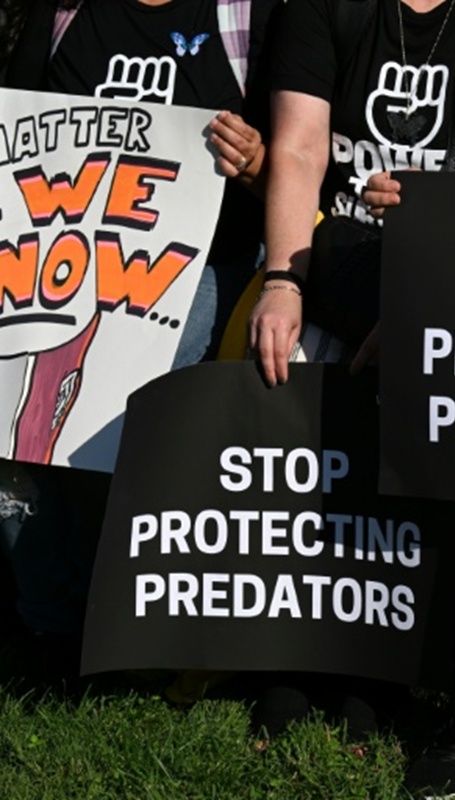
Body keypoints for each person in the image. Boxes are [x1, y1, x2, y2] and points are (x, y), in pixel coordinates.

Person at [251, 0, 455, 795]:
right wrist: (285, 278)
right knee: (288, 368)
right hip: (336, 252)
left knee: (433, 376)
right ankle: (293, 651)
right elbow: (297, 147)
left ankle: (381, 667)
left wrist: (423, 292)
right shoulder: (327, 11)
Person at [0, 0, 277, 673]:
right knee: (21, 414)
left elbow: (301, 163)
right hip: (58, 266)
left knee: (132, 390)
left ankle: (125, 612)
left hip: (198, 271)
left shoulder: (246, 18)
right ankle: (51, 618)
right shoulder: (63, 15)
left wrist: (259, 163)